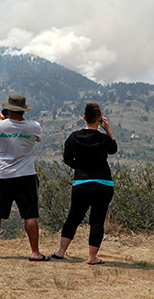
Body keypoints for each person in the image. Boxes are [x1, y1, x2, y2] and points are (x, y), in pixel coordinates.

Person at [0, 94, 48, 261]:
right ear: (23, 110)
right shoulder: (34, 126)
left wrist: (3, 122)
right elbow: (37, 139)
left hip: (2, 175)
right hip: (26, 175)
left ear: (8, 109)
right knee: (30, 214)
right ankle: (35, 252)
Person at [52, 103, 117, 265]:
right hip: (103, 182)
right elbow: (113, 149)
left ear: (84, 117)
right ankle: (92, 257)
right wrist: (108, 130)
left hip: (82, 181)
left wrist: (80, 168)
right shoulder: (103, 138)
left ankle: (61, 252)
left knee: (73, 216)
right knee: (97, 220)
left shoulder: (74, 137)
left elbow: (67, 159)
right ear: (99, 119)